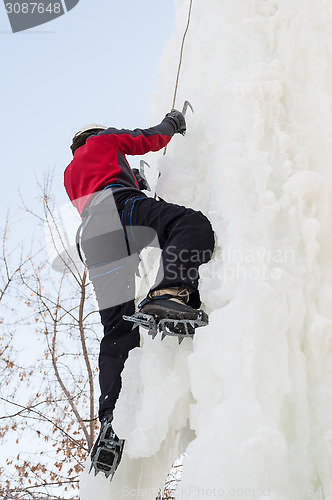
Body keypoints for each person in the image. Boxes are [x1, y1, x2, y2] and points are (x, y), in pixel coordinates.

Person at [64, 110, 215, 478]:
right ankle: (170, 292)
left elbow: (115, 178)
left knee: (116, 330)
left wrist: (136, 180)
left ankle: (110, 423)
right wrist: (172, 124)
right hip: (119, 210)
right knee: (188, 224)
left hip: (94, 240)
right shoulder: (105, 140)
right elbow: (144, 138)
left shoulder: (71, 175)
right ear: (96, 134)